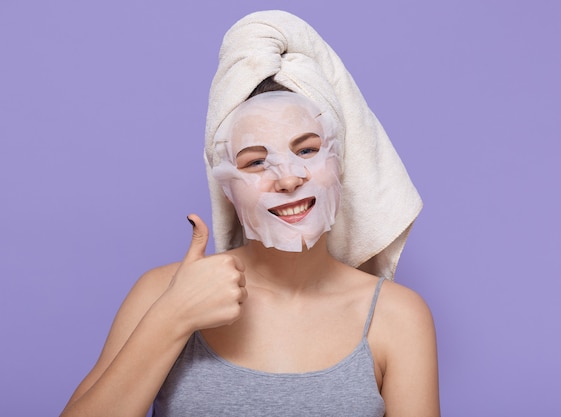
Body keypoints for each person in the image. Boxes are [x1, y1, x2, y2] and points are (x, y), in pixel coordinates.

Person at [61, 10, 439, 417]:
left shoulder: (397, 316)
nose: (288, 178)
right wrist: (172, 317)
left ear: (340, 163)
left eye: (307, 150)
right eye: (256, 162)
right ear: (226, 187)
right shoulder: (161, 293)